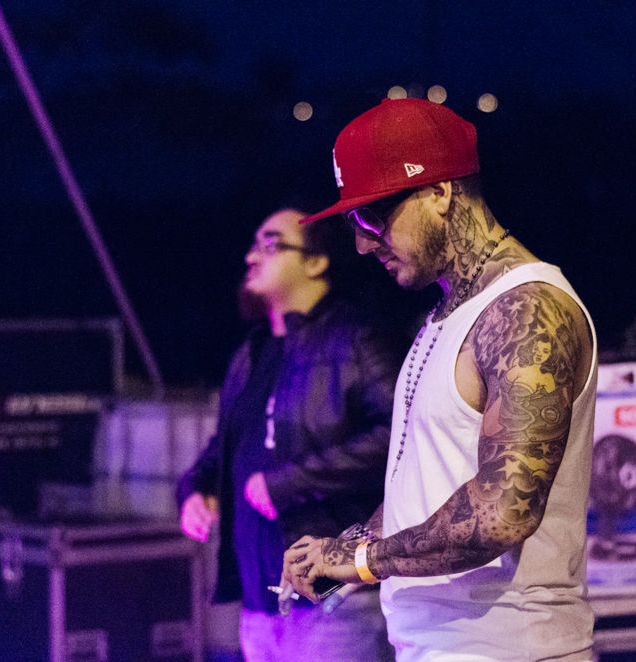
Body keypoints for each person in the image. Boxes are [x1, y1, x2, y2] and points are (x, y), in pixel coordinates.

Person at [280, 98, 598, 662]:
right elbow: (423, 485)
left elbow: (504, 512)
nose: (362, 243)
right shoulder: (448, 314)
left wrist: (360, 560)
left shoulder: (526, 309)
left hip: (510, 651)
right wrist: (337, 556)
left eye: (372, 217)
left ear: (439, 193)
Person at [176, 208, 399, 662]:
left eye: (271, 244)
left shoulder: (356, 339)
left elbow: (398, 438)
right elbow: (224, 450)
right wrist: (194, 490)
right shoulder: (251, 353)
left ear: (316, 262)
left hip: (336, 603)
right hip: (259, 609)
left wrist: (288, 484)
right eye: (255, 244)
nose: (252, 256)